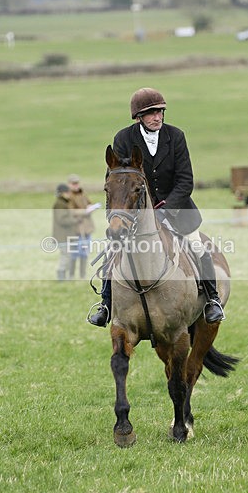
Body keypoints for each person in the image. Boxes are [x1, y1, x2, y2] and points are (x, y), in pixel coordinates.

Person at [88, 86, 224, 327]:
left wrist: (166, 209)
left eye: (160, 112)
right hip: (135, 213)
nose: (157, 117)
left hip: (177, 209)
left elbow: (185, 181)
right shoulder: (123, 138)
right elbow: (117, 178)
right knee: (112, 251)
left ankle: (212, 300)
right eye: (151, 113)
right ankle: (105, 305)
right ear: (138, 117)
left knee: (197, 245)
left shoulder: (176, 136)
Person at [67, 174, 95, 279]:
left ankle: (82, 275)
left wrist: (91, 207)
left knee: (84, 253)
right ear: (69, 184)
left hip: (86, 227)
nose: (76, 185)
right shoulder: (69, 196)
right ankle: (71, 275)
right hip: (76, 228)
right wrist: (85, 211)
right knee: (74, 253)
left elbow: (89, 203)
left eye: (77, 183)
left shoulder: (82, 193)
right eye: (73, 183)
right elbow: (70, 211)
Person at [52, 183, 75, 281]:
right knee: (65, 257)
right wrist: (74, 220)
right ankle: (61, 277)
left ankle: (66, 277)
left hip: (66, 235)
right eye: (67, 192)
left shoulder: (64, 203)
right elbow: (61, 220)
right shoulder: (60, 204)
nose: (69, 194)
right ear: (62, 193)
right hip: (63, 236)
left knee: (68, 256)